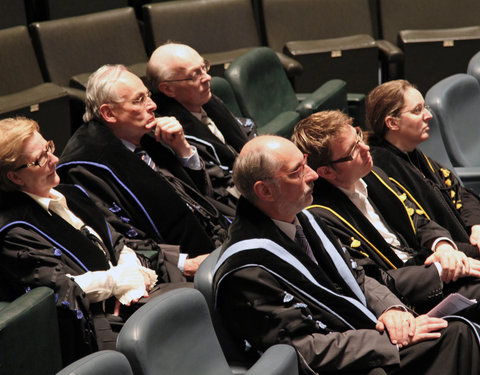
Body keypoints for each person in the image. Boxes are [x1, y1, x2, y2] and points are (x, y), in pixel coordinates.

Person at [213, 135, 480, 374]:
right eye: (297, 171)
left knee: (457, 329)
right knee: (455, 335)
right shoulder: (247, 269)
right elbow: (299, 349)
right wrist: (388, 341)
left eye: (305, 162)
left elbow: (358, 277)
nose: (312, 174)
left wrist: (392, 310)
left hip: (362, 337)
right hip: (342, 362)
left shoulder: (304, 220)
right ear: (265, 191)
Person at [0, 117, 197, 365]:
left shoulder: (71, 194)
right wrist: (120, 281)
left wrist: (130, 272)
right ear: (15, 178)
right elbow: (64, 287)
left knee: (199, 299)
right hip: (100, 323)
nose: (55, 160)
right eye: (41, 159)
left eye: (49, 147)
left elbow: (118, 239)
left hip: (133, 295)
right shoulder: (14, 231)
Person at [292, 110, 480, 312]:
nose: (366, 148)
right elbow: (372, 280)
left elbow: (418, 220)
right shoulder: (320, 217)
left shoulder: (373, 173)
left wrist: (444, 248)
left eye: (359, 136)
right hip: (406, 298)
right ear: (327, 172)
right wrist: (441, 270)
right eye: (354, 149)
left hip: (427, 260)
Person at [58, 64, 230, 258]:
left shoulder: (148, 137)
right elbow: (119, 240)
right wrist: (182, 263)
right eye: (139, 100)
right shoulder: (87, 168)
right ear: (109, 113)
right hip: (178, 266)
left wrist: (183, 150)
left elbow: (204, 196)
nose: (152, 105)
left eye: (148, 95)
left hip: (216, 238)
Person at [366, 79, 480, 255]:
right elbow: (417, 234)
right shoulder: (381, 170)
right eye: (417, 110)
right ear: (392, 123)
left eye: (425, 107)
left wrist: (476, 225)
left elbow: (459, 192)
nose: (429, 115)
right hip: (447, 256)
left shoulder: (412, 153)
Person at [146, 42, 256, 207]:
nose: (207, 77)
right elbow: (218, 187)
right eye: (195, 74)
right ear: (168, 89)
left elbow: (244, 128)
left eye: (204, 67)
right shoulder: (168, 134)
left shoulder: (206, 101)